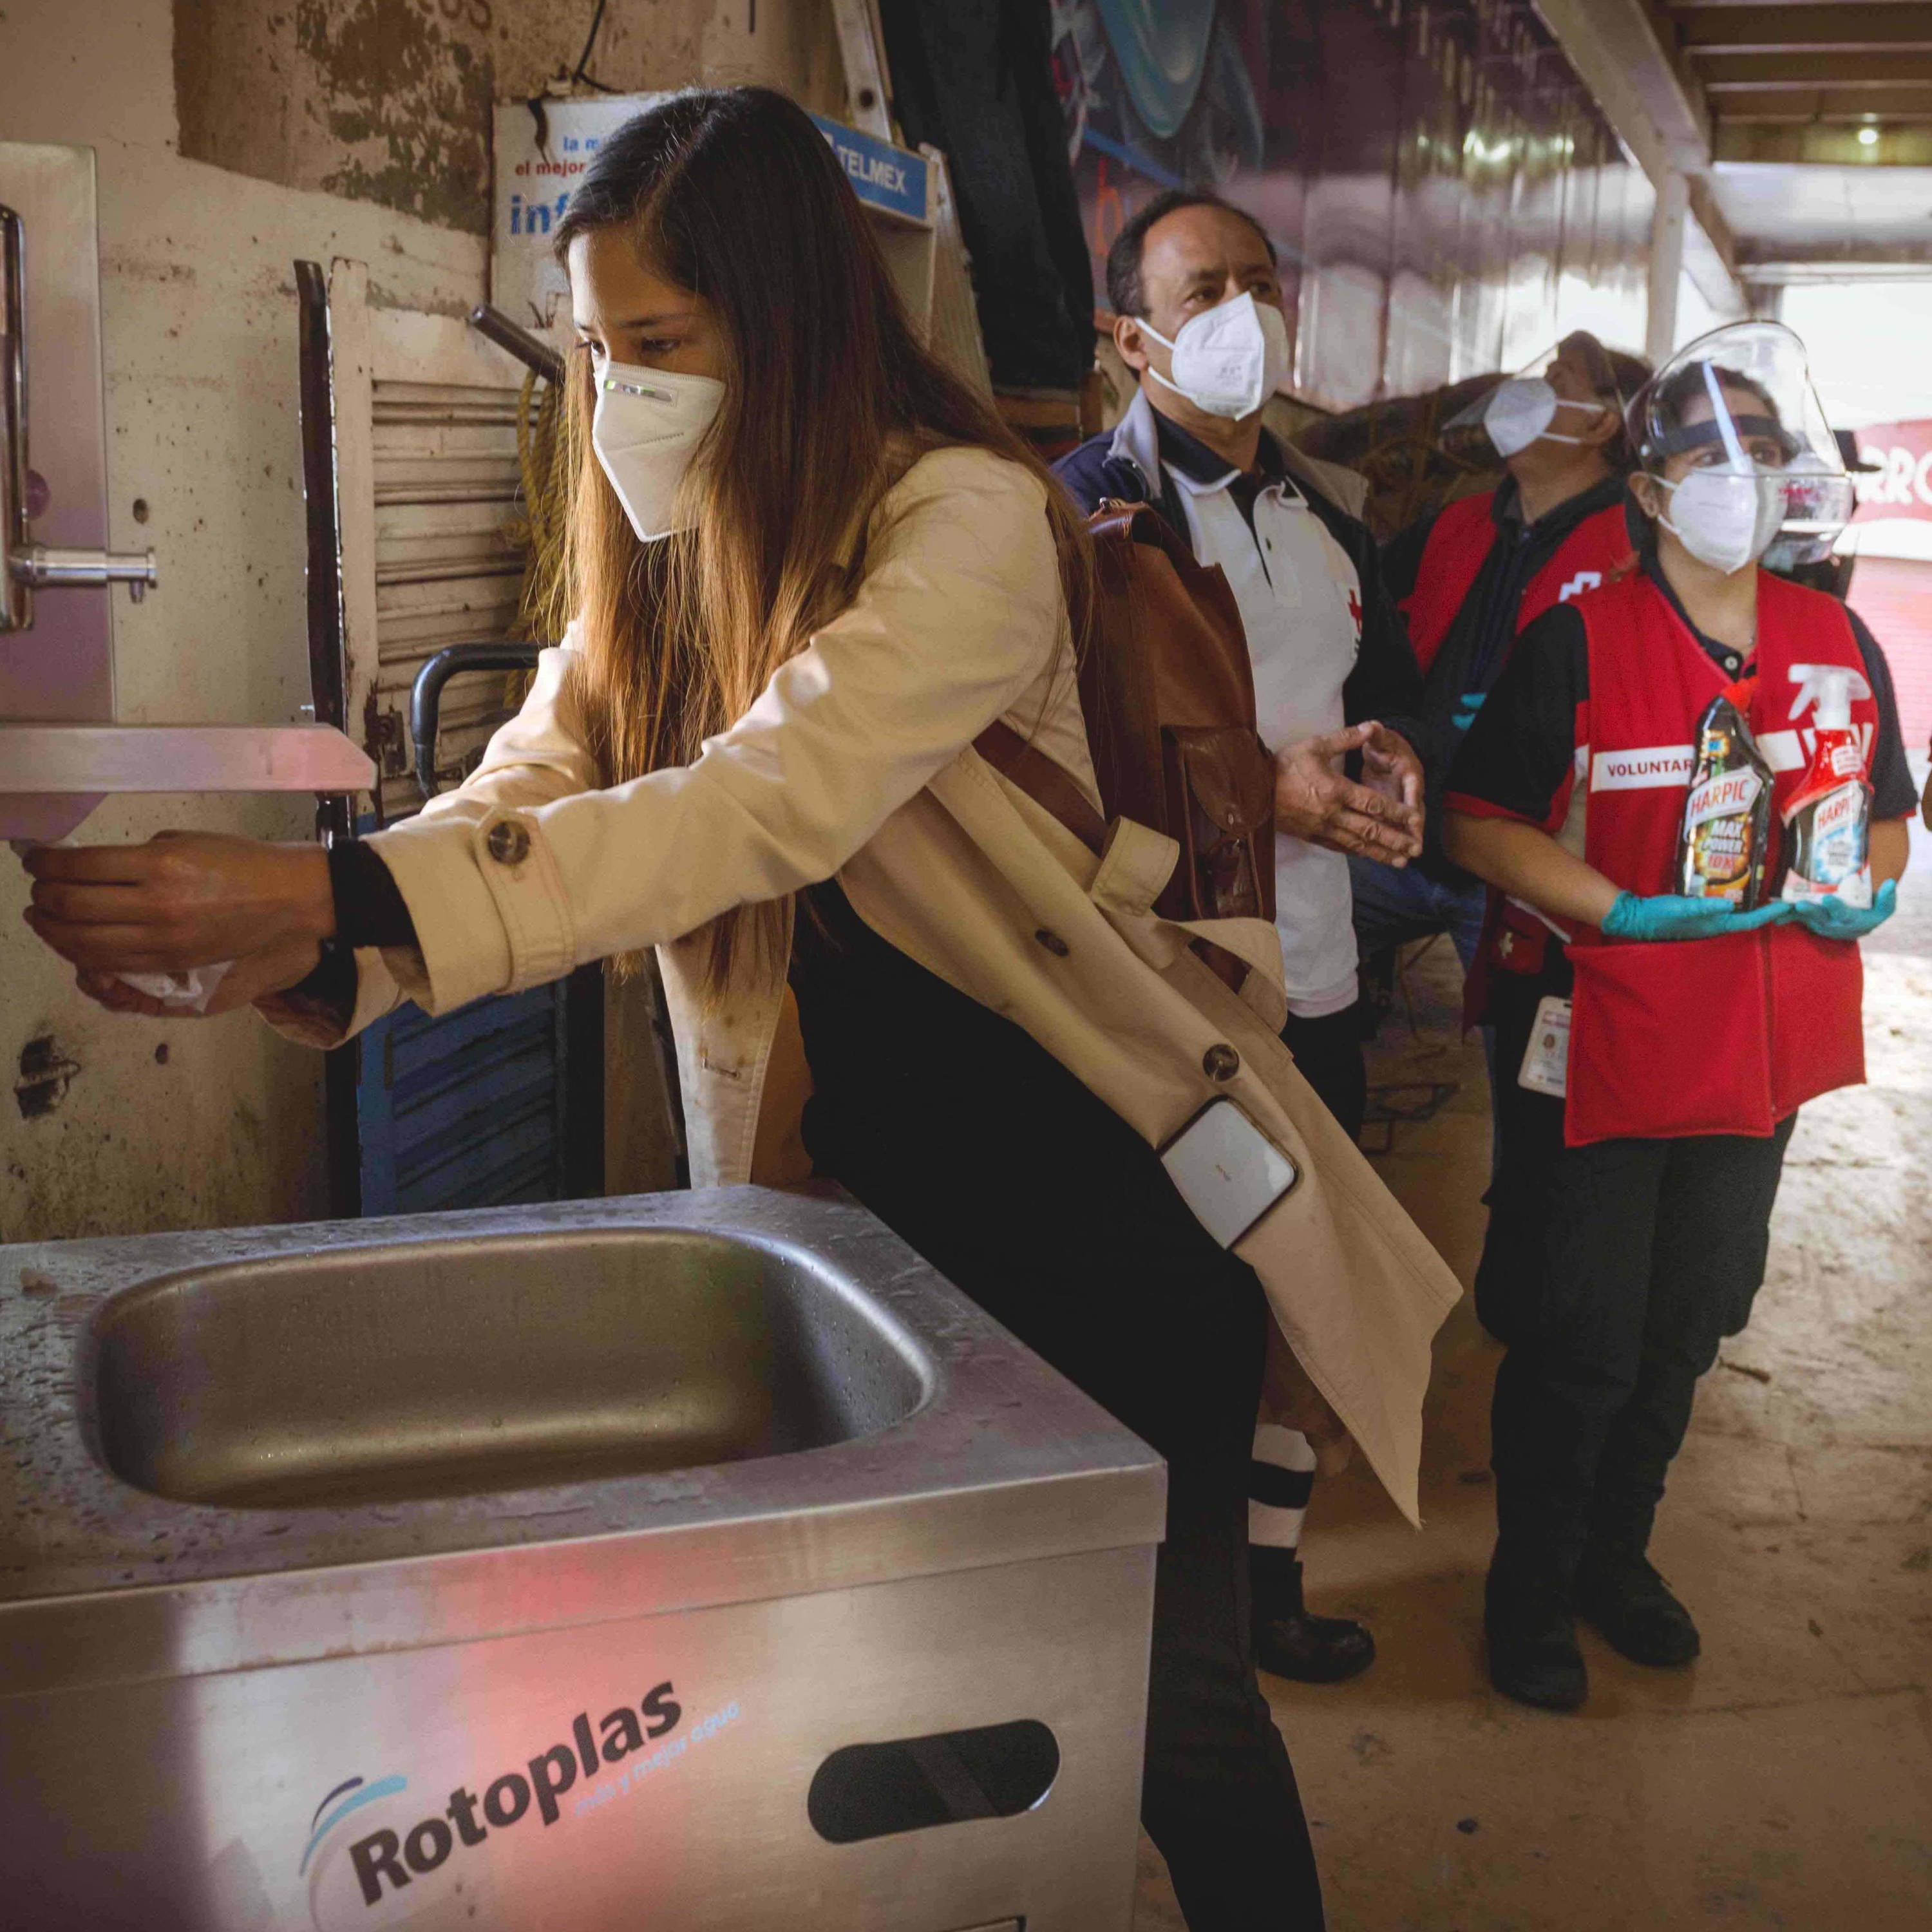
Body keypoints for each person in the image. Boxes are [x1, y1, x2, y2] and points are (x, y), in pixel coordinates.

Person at [19, 88, 1459, 1930]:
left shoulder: (965, 525)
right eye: (600, 347)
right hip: (872, 1239)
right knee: (922, 1706)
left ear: (786, 324)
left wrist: (334, 896)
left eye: (664, 344)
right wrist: (324, 942)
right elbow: (537, 781)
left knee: (1163, 1705)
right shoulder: (675, 544)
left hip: (1094, 1215)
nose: (623, 388)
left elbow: (759, 799)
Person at [1441, 322, 1915, 1712]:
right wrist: (1620, 908)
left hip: (1760, 1049)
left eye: (1761, 453)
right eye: (1709, 455)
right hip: (1608, 1031)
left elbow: (1886, 813)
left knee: (1691, 1318)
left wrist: (1863, 889)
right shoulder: (1578, 641)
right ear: (1651, 490)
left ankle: (1615, 1560)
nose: (1740, 480)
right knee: (1579, 1326)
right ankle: (1528, 1587)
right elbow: (1479, 821)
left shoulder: (1838, 640)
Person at [1056, 188, 1426, 1686]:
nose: (1243, 318)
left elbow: (1378, 697)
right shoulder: (1077, 518)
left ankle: (1261, 1589)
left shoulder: (1329, 519)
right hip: (1155, 996)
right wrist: (1249, 793)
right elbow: (1048, 763)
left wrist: (1396, 767)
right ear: (1129, 330)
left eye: (1262, 285)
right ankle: (1155, 1619)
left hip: (1317, 989)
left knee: (1296, 1310)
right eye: (1204, 288)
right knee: (1163, 1311)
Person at [1368, 332, 1651, 1340]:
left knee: (1535, 1093)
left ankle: (1524, 1285)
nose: (1525, 394)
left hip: (1526, 868)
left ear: (1605, 423)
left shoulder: (1637, 539)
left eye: (1557, 384)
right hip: (1409, 838)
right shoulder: (1456, 527)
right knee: (1290, 944)